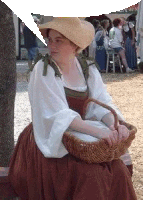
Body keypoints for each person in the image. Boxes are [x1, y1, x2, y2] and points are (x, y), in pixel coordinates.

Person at [8, 17, 137, 200]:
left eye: (59, 40)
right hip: (51, 142)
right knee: (91, 177)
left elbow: (100, 102)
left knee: (119, 171)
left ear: (75, 45)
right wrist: (99, 133)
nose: (52, 45)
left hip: (83, 141)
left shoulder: (87, 68)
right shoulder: (43, 70)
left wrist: (115, 124)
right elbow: (57, 115)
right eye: (50, 40)